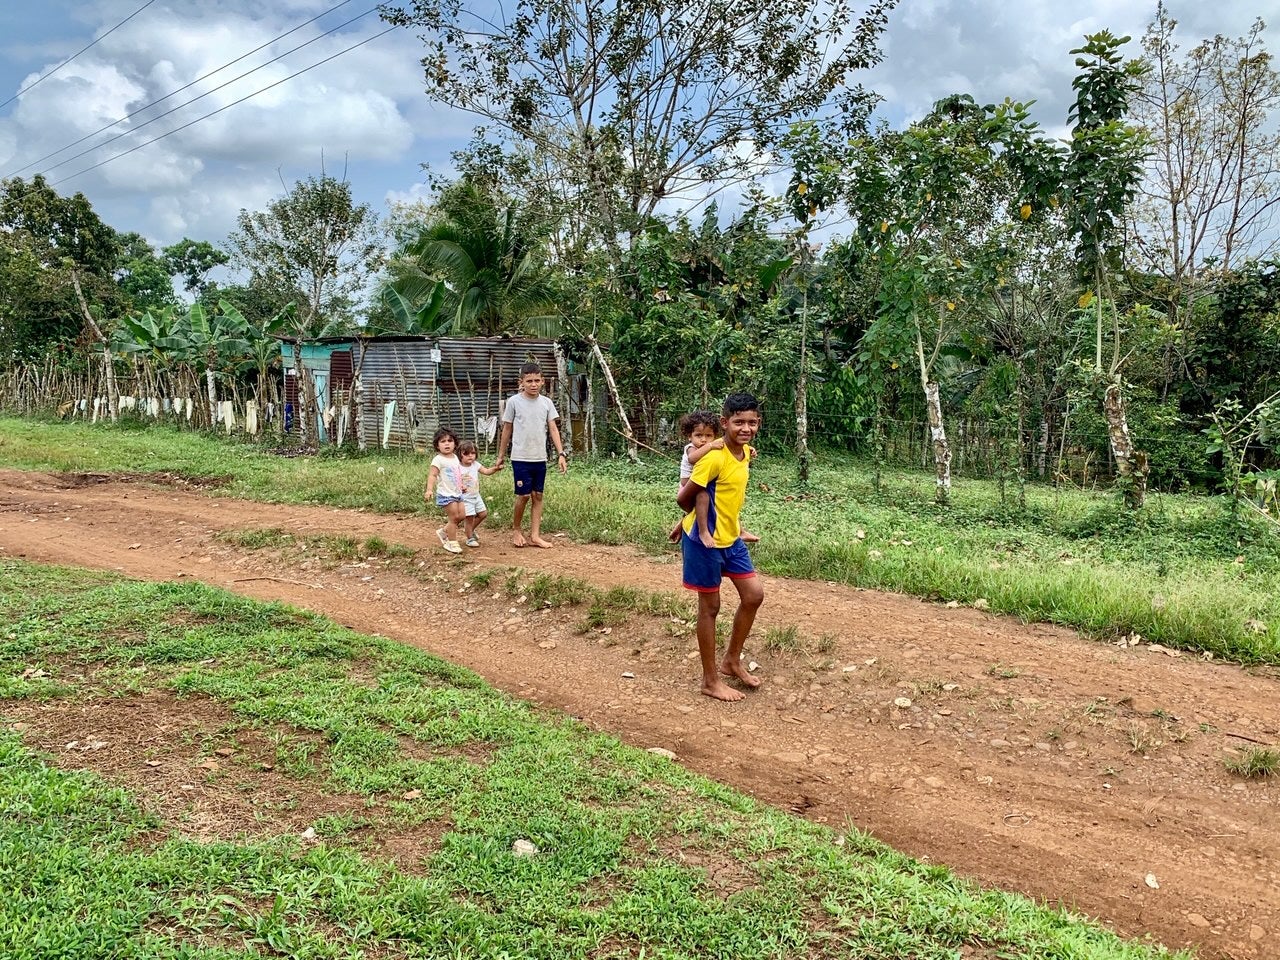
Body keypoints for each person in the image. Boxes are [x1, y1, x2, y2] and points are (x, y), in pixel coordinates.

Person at [676, 392, 765, 702]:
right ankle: (710, 680)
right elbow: (684, 497)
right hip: (704, 541)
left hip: (731, 538)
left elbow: (728, 497)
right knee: (710, 608)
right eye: (739, 422)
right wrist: (689, 526)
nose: (746, 428)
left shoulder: (745, 454)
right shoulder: (712, 457)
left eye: (752, 423)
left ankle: (731, 660)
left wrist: (736, 527)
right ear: (725, 422)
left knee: (754, 595)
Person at [494, 362, 568, 548]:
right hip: (520, 457)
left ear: (542, 381)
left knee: (538, 495)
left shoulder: (546, 403)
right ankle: (517, 530)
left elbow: (553, 428)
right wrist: (501, 454)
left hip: (539, 457)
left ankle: (535, 535)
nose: (533, 384)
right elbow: (507, 429)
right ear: (522, 382)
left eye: (537, 380)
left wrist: (561, 454)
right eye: (529, 381)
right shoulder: (514, 402)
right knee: (524, 495)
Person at [669, 410, 759, 544]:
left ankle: (740, 530)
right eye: (698, 435)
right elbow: (693, 459)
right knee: (703, 498)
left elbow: (732, 446)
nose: (703, 439)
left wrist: (748, 449)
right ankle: (703, 532)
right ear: (690, 436)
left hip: (703, 481)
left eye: (708, 436)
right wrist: (711, 446)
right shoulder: (691, 448)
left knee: (728, 500)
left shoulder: (711, 447)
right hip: (688, 485)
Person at [424, 427, 466, 554]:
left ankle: (443, 531)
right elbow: (432, 475)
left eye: (449, 440)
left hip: (458, 492)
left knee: (462, 515)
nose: (447, 443)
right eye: (443, 441)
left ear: (455, 443)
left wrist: (462, 485)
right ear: (437, 445)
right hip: (446, 494)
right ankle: (451, 542)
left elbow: (458, 474)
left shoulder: (455, 458)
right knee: (453, 517)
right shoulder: (438, 459)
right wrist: (429, 490)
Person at [457, 439, 504, 547]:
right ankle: (469, 538)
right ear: (460, 454)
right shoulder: (458, 467)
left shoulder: (475, 465)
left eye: (473, 453)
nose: (470, 456)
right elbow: (453, 481)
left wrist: (496, 468)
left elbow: (486, 471)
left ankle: (470, 530)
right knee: (470, 517)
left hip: (476, 495)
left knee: (483, 514)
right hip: (465, 498)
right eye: (466, 453)